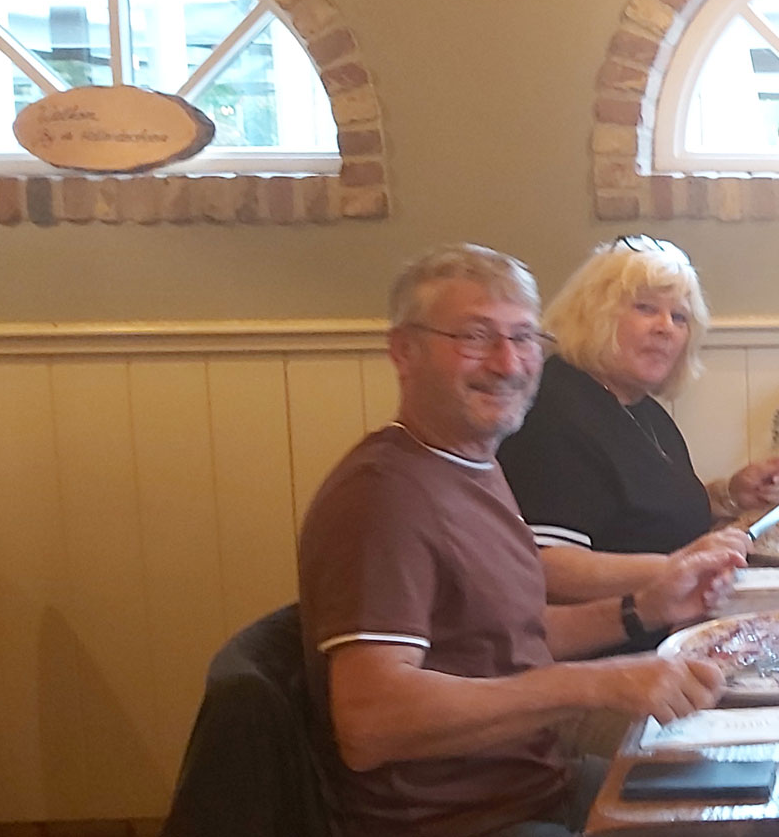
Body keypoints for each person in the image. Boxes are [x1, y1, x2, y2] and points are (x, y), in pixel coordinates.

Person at [298, 244, 740, 837]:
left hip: (542, 785)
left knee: (742, 797)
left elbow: (510, 635)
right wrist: (597, 683)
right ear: (404, 351)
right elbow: (370, 721)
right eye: (475, 337)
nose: (508, 363)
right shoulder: (381, 497)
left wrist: (644, 609)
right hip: (468, 821)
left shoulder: (472, 465)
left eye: (524, 337)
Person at [497, 235, 779, 648]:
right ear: (594, 314)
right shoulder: (553, 410)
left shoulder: (638, 406)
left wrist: (729, 494)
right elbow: (546, 565)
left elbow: (642, 513)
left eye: (679, 317)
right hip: (615, 652)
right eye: (645, 308)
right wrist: (677, 566)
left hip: (680, 625)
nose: (665, 328)